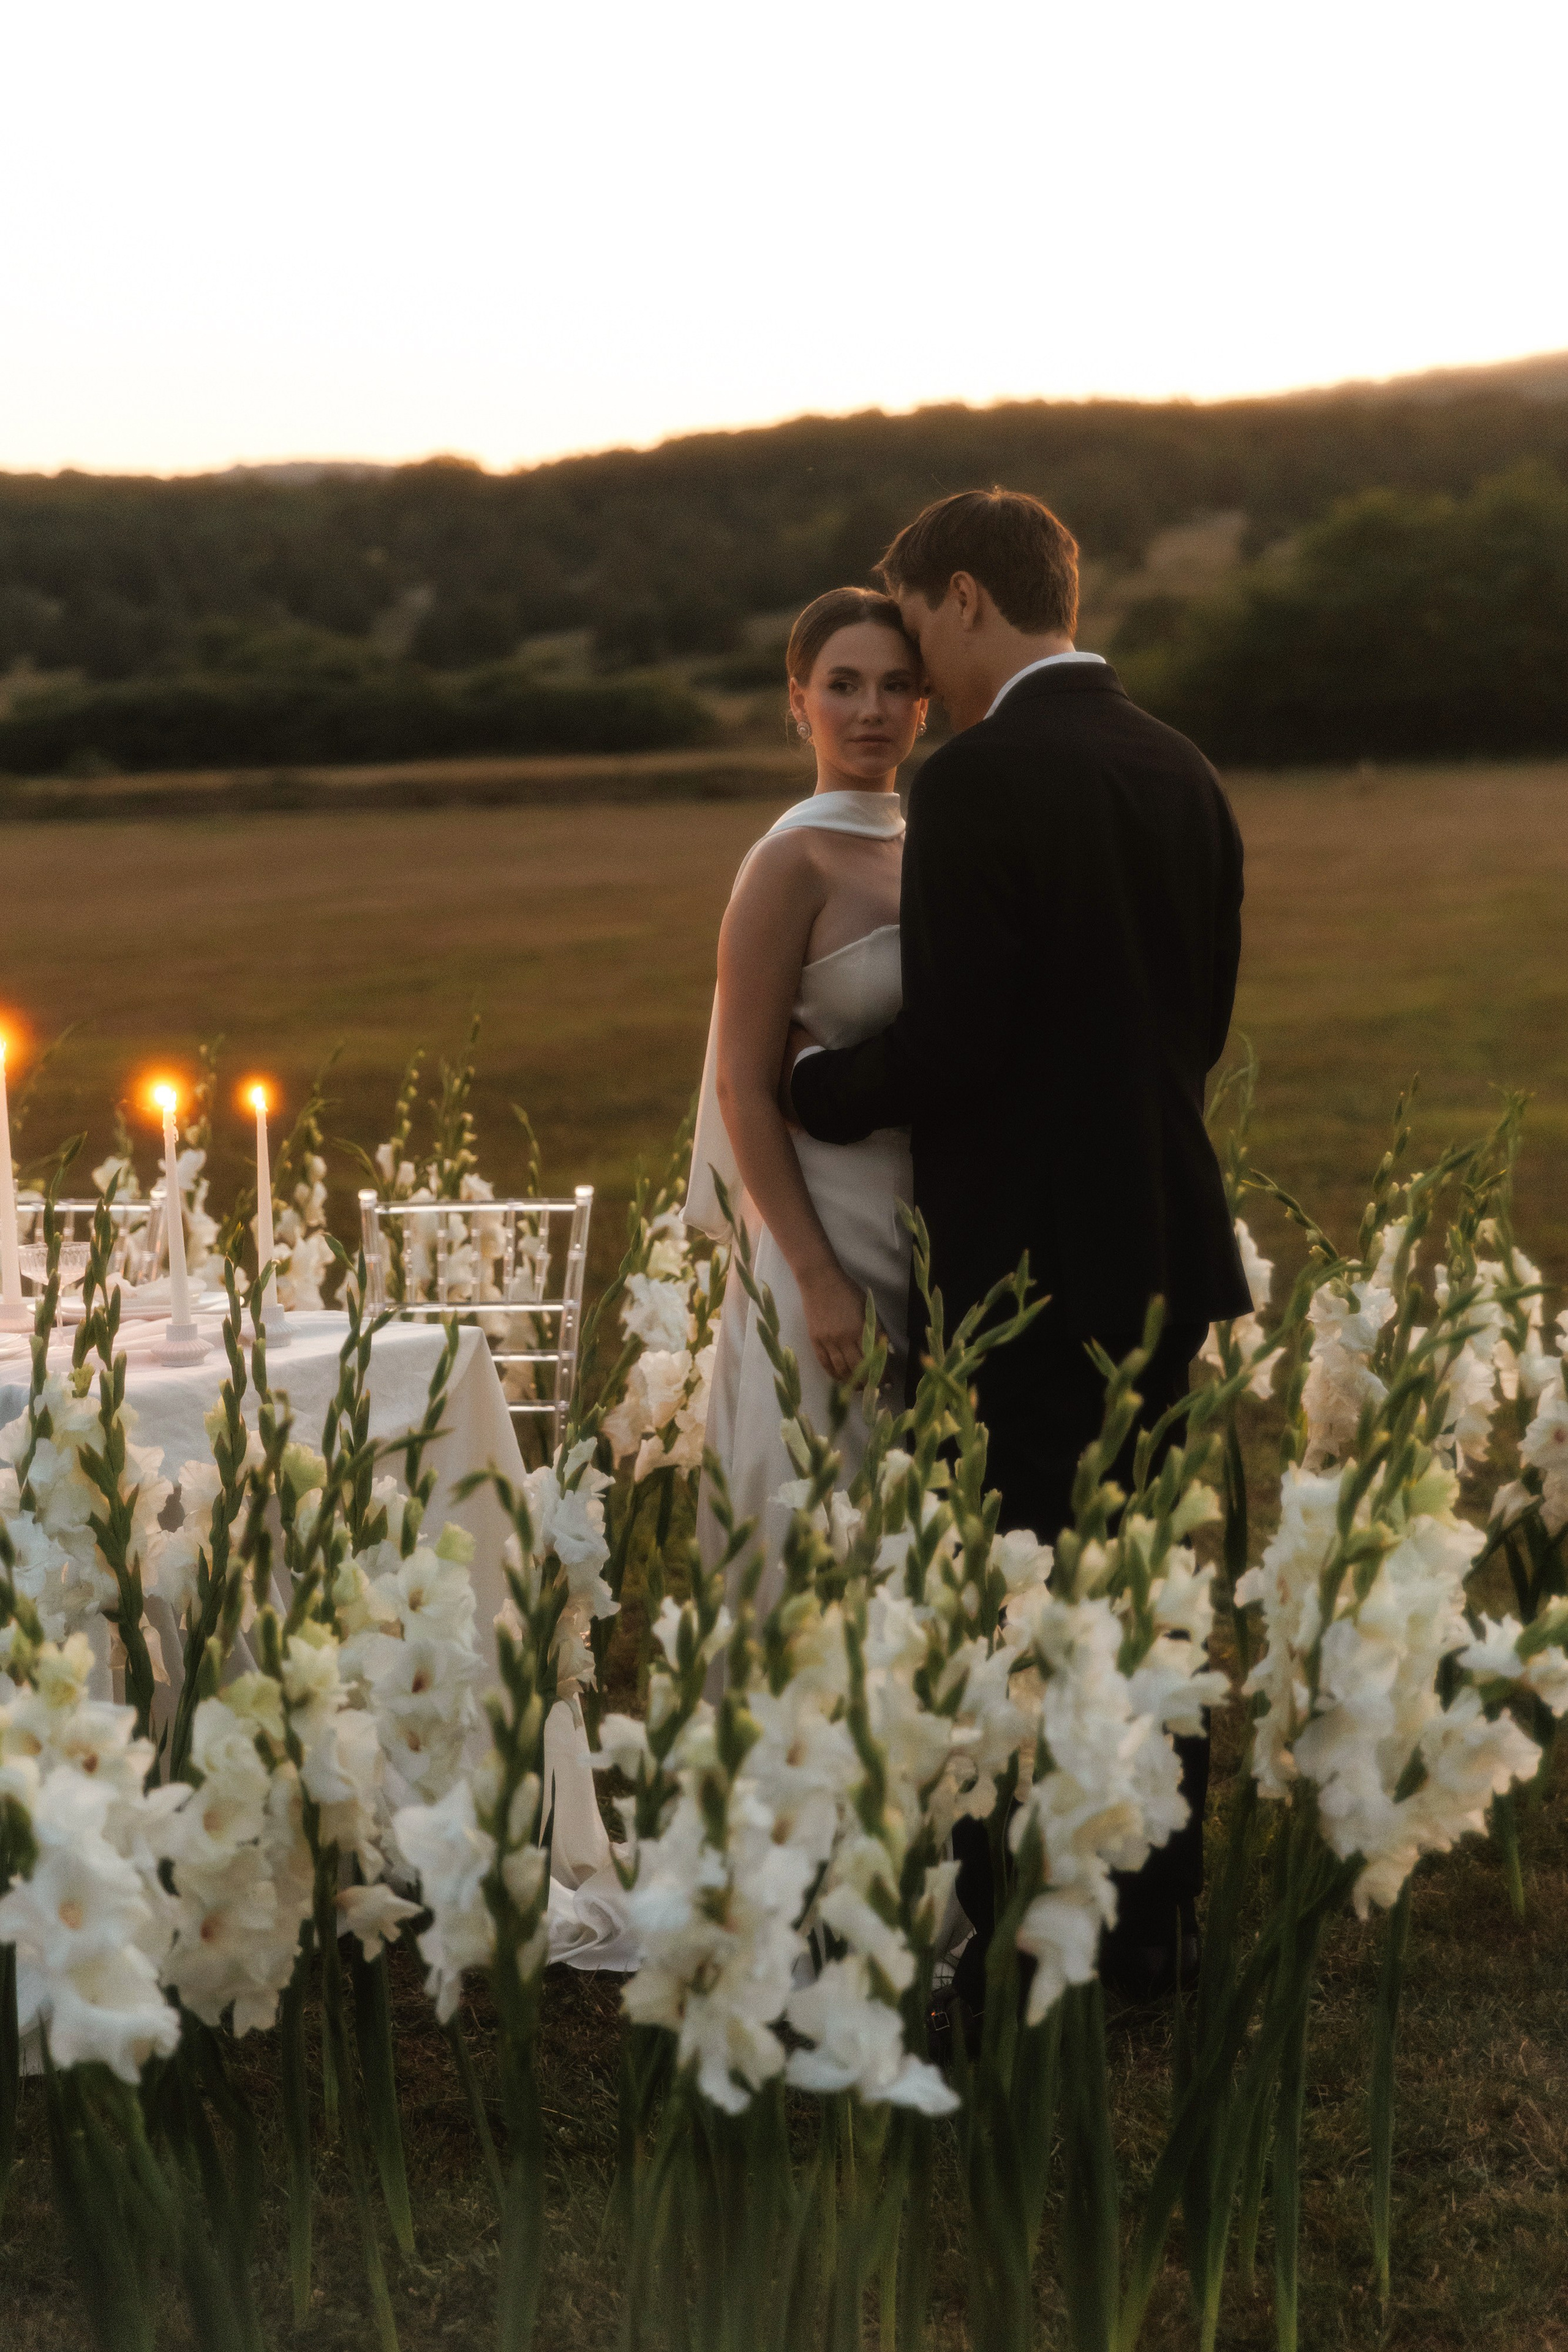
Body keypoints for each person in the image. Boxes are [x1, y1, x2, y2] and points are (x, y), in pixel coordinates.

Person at [783, 488, 1251, 2006]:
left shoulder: (980, 778)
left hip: (1026, 1271)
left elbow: (956, 1043)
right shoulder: (1178, 767)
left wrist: (815, 1090)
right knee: (1141, 1581)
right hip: (1165, 1241)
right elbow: (1196, 1025)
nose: (913, 667)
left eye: (916, 625)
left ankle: (1013, 1936)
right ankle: (1152, 1924)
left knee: (1018, 1585)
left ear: (965, 597)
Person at [685, 587, 927, 1605]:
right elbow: (743, 1084)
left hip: (918, 1223)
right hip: (819, 1227)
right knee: (818, 1515)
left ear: (924, 704)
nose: (871, 710)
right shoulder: (790, 860)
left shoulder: (926, 846)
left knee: (906, 1530)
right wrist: (819, 1279)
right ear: (799, 702)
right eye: (844, 685)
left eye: (896, 685)